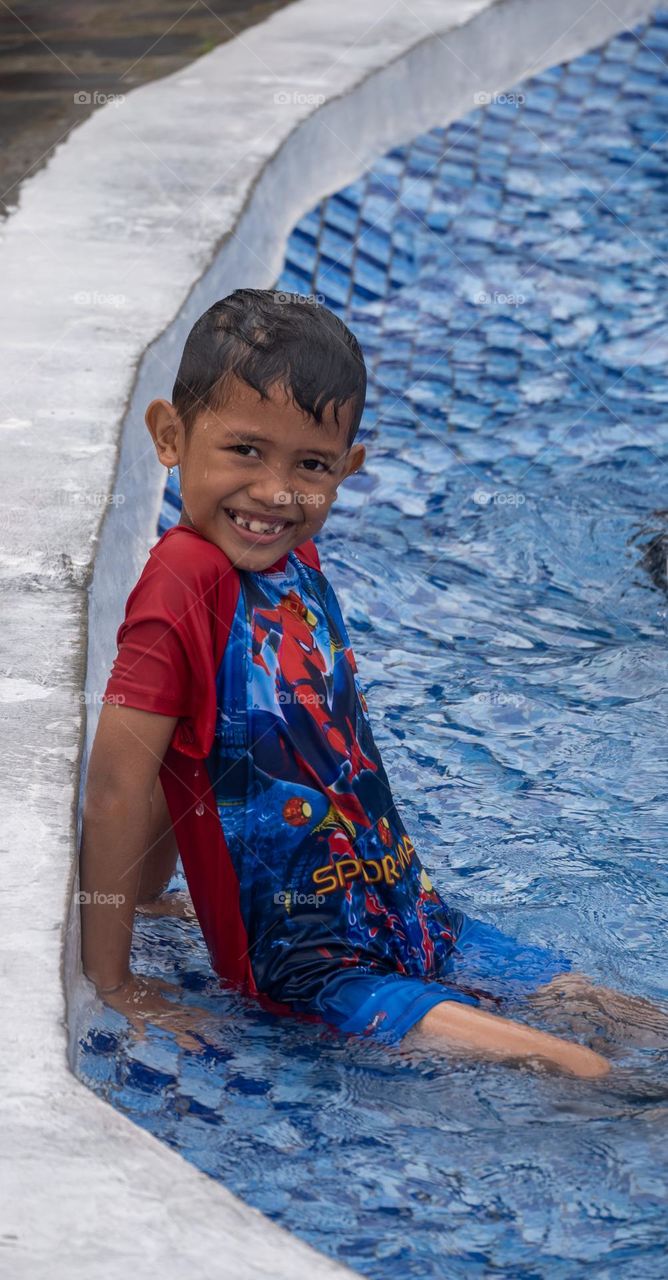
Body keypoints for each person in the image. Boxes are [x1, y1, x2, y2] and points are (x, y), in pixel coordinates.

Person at [79, 290, 661, 1078]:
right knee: (583, 1071)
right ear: (170, 436)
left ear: (348, 470)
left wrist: (155, 898)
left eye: (310, 465)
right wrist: (112, 978)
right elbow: (119, 783)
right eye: (246, 451)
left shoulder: (293, 562)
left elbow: (182, 750)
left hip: (407, 915)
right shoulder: (184, 577)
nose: (277, 491)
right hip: (311, 969)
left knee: (625, 1015)